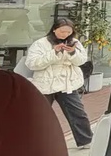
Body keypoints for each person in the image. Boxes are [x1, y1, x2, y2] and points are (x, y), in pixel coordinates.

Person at [25, 18, 93, 148]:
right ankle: (33, 142)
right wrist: (54, 52)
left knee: (77, 113)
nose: (65, 34)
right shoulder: (40, 43)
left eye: (68, 32)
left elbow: (81, 61)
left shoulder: (75, 42)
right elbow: (32, 64)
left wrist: (73, 52)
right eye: (62, 31)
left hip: (67, 83)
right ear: (54, 29)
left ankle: (86, 140)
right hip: (45, 82)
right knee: (39, 115)